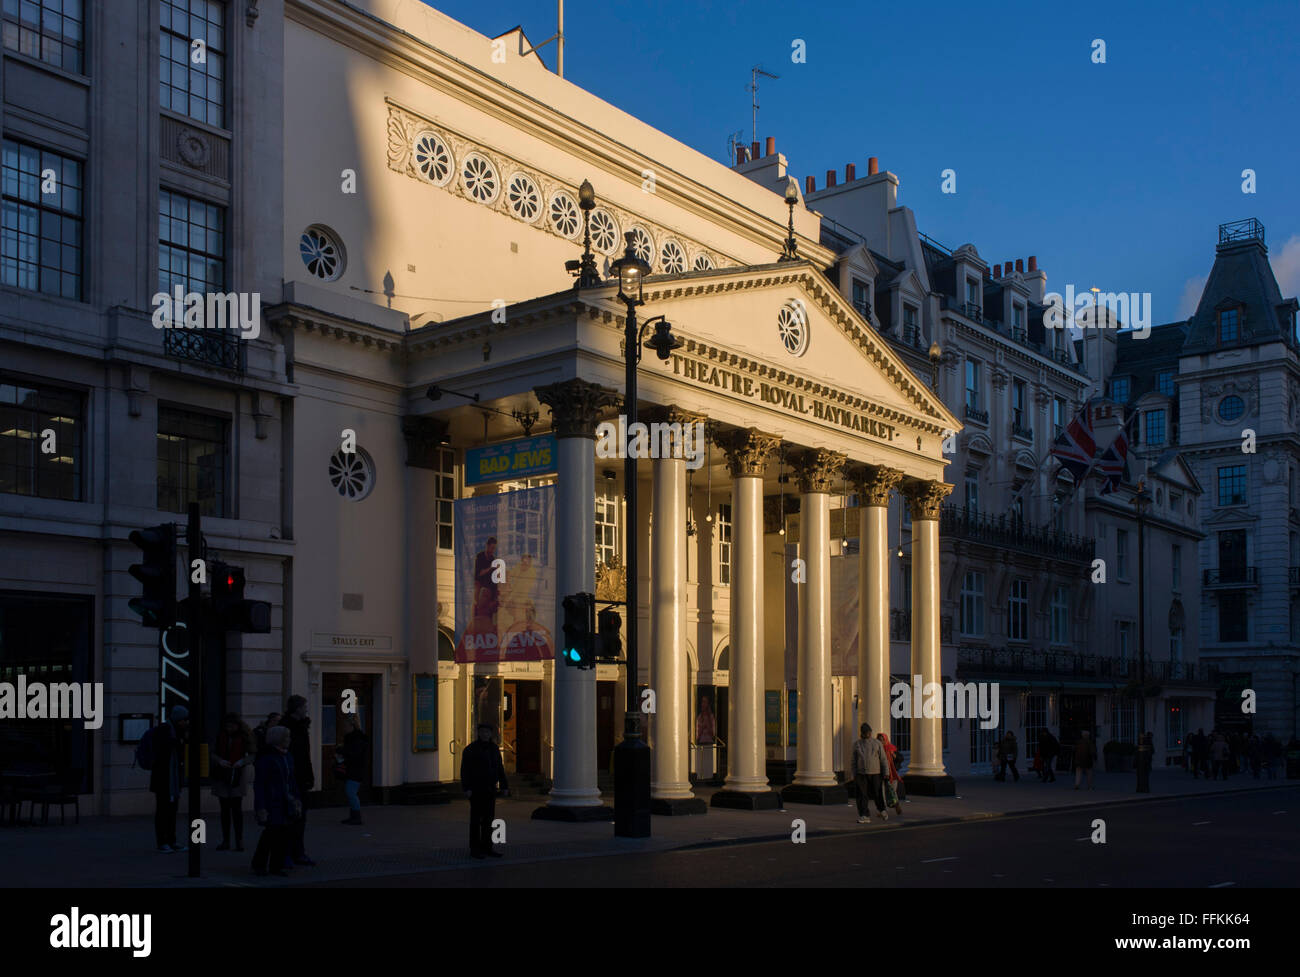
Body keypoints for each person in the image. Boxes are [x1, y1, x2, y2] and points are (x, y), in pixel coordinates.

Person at [252, 725, 300, 877]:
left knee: (283, 834)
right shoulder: (266, 758)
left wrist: (296, 799)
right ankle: (259, 864)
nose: (289, 740)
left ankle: (276, 866)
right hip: (272, 801)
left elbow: (292, 780)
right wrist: (261, 807)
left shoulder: (288, 756)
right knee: (271, 833)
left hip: (286, 800)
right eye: (286, 737)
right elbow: (259, 784)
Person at [461, 722, 510, 858]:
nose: (485, 734)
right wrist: (467, 788)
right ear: (479, 733)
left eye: (487, 732)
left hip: (490, 789)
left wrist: (504, 785)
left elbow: (499, 768)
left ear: (490, 734)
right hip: (476, 789)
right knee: (476, 820)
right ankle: (475, 849)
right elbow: (465, 770)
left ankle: (488, 847)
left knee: (489, 820)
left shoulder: (494, 749)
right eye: (482, 732)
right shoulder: (470, 749)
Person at [211, 713, 255, 851]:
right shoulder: (220, 736)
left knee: (236, 809)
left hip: (238, 774)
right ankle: (226, 840)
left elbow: (253, 754)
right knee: (224, 809)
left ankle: (239, 840)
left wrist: (242, 761)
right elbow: (212, 752)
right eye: (227, 726)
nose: (229, 728)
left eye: (232, 726)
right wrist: (220, 761)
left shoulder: (244, 737)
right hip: (222, 774)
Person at [149, 705, 189, 852]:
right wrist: (179, 742)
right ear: (178, 719)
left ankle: (172, 840)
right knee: (163, 811)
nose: (186, 722)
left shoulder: (178, 732)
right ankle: (163, 841)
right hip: (163, 779)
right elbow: (163, 752)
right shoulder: (165, 730)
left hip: (173, 779)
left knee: (172, 811)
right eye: (184, 719)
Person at [282, 695, 316, 866]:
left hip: (301, 777)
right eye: (304, 707)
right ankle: (288, 853)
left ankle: (297, 852)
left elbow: (305, 755)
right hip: (291, 777)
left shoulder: (302, 727)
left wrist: (309, 776)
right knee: (291, 817)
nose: (306, 709)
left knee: (300, 817)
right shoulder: (288, 727)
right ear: (297, 708)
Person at [851, 723, 889, 823]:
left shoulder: (877, 743)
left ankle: (882, 810)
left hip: (876, 773)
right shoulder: (857, 744)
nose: (868, 734)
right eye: (866, 732)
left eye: (869, 732)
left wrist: (886, 772)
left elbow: (883, 759)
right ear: (862, 733)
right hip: (861, 774)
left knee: (878, 793)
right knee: (862, 795)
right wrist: (854, 774)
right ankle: (864, 815)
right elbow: (854, 761)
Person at [338, 716, 369, 825]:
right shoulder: (353, 738)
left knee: (351, 792)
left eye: (345, 726)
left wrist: (342, 751)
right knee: (350, 792)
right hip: (354, 769)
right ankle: (354, 815)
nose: (343, 728)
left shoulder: (356, 739)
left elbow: (354, 754)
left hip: (356, 770)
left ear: (352, 726)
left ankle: (356, 816)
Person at [878, 732, 905, 814]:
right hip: (881, 773)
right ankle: (883, 810)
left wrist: (894, 756)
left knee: (892, 791)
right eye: (879, 740)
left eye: (883, 740)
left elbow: (900, 758)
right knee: (881, 792)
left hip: (892, 773)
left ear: (886, 740)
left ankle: (896, 805)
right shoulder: (878, 749)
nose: (881, 742)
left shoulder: (891, 748)